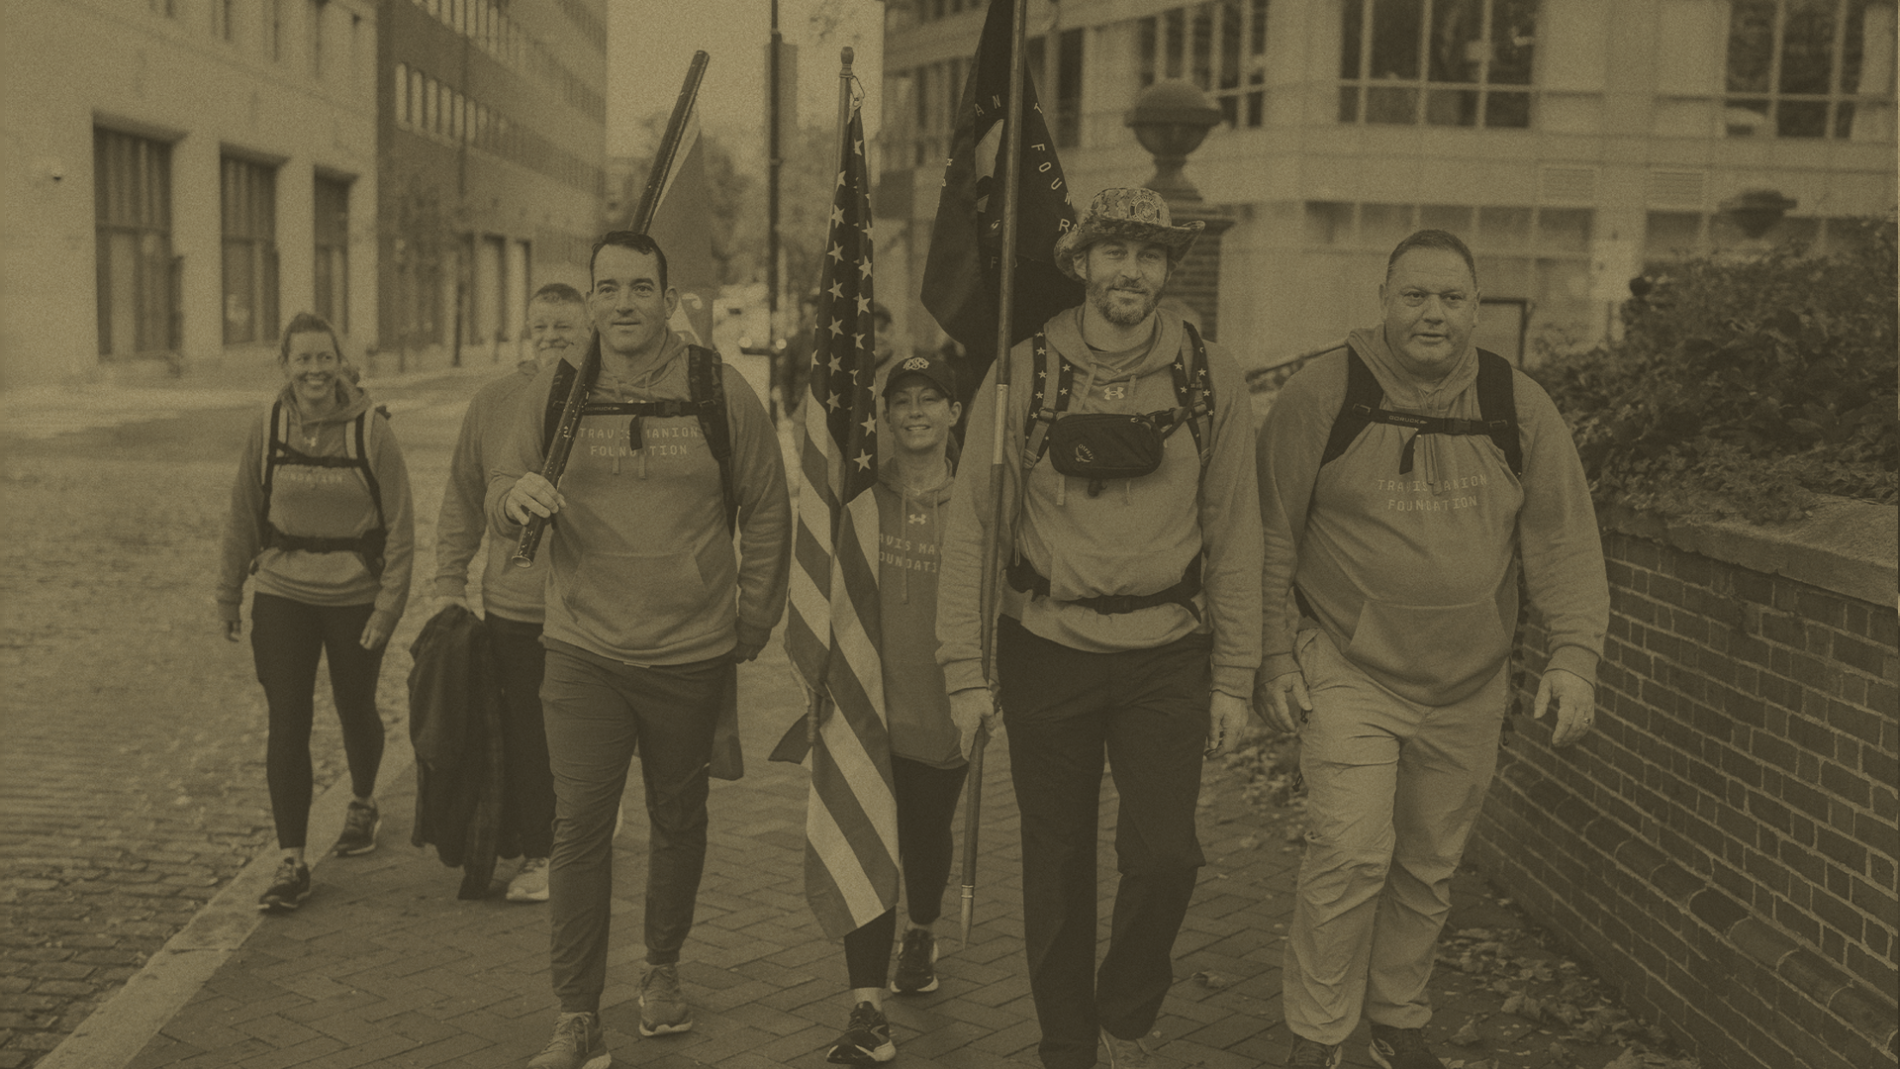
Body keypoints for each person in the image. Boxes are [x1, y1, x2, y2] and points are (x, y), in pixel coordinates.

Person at [1256, 229, 1609, 1069]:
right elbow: (1269, 532)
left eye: (1451, 298)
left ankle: (1396, 1018)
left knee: (1426, 863)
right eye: (1415, 295)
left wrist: (1573, 656)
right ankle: (1320, 1031)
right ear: (1383, 299)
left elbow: (1563, 538)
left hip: (1470, 680)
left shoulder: (1518, 404)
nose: (1433, 314)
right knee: (1350, 851)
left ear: (1476, 308)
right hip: (1349, 666)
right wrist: (1272, 654)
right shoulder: (1323, 393)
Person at [936, 187, 1264, 1069]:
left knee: (1166, 857)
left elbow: (1237, 529)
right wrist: (964, 671)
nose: (1132, 270)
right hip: (1046, 649)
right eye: (1114, 251)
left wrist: (1236, 676)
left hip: (1168, 654)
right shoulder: (1023, 373)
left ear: (1167, 269)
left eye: (1150, 255)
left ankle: (1125, 1009)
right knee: (1056, 866)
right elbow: (973, 529)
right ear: (1081, 261)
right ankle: (1069, 1046)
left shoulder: (1209, 375)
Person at [494, 231, 792, 1069]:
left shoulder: (717, 388)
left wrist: (753, 619)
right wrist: (513, 498)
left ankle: (661, 967)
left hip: (690, 651)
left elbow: (768, 504)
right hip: (582, 647)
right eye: (607, 287)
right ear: (590, 300)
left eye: (638, 287)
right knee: (578, 828)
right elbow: (502, 484)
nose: (622, 302)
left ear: (669, 299)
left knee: (678, 818)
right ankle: (576, 1014)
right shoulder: (559, 387)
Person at [216, 312, 415, 912]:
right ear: (285, 365)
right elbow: (242, 514)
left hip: (354, 597)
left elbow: (402, 529)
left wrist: (387, 608)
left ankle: (363, 801)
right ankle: (292, 861)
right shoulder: (269, 426)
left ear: (340, 362)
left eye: (324, 358)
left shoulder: (371, 431)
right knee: (288, 720)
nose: (314, 370)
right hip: (283, 592)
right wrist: (228, 594)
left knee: (355, 704)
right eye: (302, 359)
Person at [823, 351, 969, 1066]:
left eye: (929, 399)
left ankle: (924, 927)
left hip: (942, 709)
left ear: (954, 412)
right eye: (901, 400)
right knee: (868, 845)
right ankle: (867, 1009)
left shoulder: (978, 501)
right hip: (868, 707)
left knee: (925, 837)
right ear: (883, 416)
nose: (915, 411)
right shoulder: (860, 497)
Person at [432, 282, 590, 903]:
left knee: (581, 730)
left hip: (589, 605)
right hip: (515, 603)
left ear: (588, 332)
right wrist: (449, 582)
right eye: (540, 327)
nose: (550, 338)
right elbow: (463, 495)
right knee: (526, 731)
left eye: (563, 328)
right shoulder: (494, 400)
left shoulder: (603, 397)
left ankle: (580, 825)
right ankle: (544, 850)